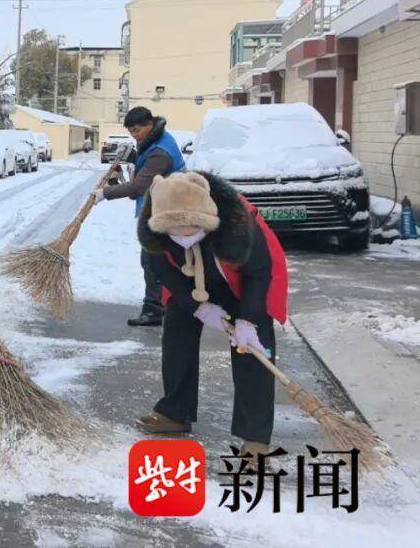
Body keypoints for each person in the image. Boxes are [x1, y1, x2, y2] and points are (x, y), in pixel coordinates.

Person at [136, 172, 288, 461]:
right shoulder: (154, 226)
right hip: (190, 281)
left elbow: (259, 273)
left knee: (252, 349)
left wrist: (248, 321)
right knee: (177, 336)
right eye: (175, 233)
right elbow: (163, 270)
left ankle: (256, 438)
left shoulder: (237, 222)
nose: (183, 237)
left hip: (244, 282)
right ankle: (175, 412)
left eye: (190, 230)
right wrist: (198, 308)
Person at [92, 106, 185, 326]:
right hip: (160, 208)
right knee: (157, 261)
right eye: (131, 131)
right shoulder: (155, 140)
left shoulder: (160, 151)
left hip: (165, 211)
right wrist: (134, 157)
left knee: (153, 261)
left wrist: (105, 193)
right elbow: (144, 173)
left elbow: (140, 186)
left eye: (136, 130)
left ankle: (154, 310)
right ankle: (163, 306)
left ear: (149, 124)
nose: (134, 135)